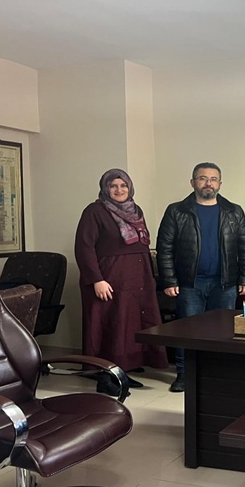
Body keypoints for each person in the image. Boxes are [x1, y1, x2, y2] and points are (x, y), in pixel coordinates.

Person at [156, 162, 245, 392]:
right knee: (187, 331)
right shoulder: (176, 211)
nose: (208, 183)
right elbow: (165, 248)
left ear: (220, 183)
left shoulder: (234, 211)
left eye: (213, 179)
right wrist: (169, 280)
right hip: (189, 283)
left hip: (225, 284)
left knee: (223, 332)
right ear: (193, 182)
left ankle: (217, 373)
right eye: (202, 178)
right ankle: (184, 374)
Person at [74, 168, 168, 396]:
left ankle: (122, 371)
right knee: (110, 326)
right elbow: (84, 247)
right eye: (113, 186)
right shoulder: (94, 211)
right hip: (110, 280)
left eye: (123, 185)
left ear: (130, 188)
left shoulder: (136, 211)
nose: (119, 190)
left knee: (129, 326)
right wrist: (97, 279)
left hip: (137, 279)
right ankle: (105, 376)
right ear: (105, 188)